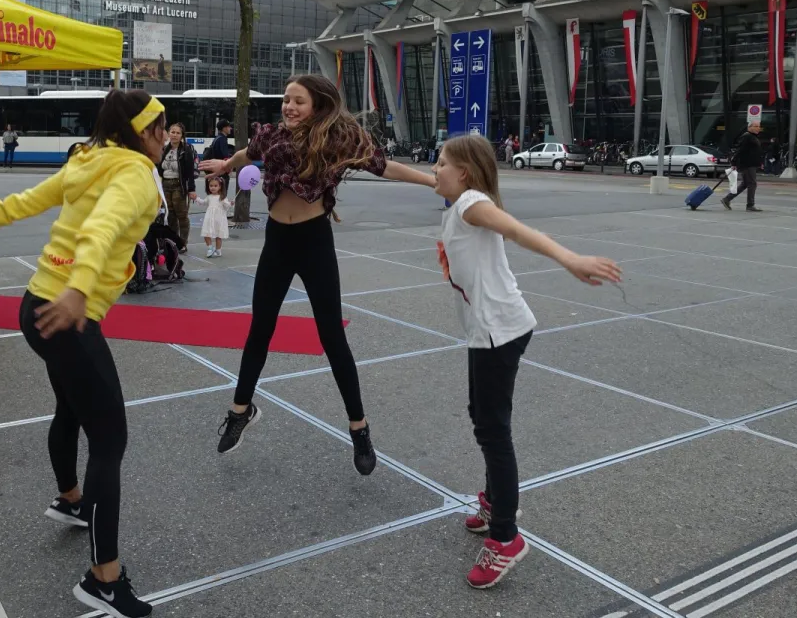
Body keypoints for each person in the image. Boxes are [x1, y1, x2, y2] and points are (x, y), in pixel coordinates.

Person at [0, 89, 168, 618]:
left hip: (35, 306)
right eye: (162, 128)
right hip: (66, 314)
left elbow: (27, 201)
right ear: (144, 132)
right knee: (110, 441)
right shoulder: (135, 172)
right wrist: (79, 287)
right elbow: (101, 229)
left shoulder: (88, 159)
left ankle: (71, 501)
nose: (167, 138)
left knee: (72, 408)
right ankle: (104, 580)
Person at [199, 74, 437, 473]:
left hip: (314, 242)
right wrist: (226, 164)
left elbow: (385, 167)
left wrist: (432, 181)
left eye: (299, 101)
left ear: (317, 106)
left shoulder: (336, 140)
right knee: (260, 329)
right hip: (277, 241)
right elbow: (246, 153)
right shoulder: (271, 136)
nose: (289, 107)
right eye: (287, 100)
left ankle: (359, 428)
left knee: (332, 336)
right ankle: (241, 410)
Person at [431, 134, 621, 588]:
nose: (433, 170)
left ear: (464, 173)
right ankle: (495, 503)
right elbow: (403, 174)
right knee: (483, 417)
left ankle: (505, 538)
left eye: (440, 163)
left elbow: (517, 230)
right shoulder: (459, 198)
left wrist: (569, 258)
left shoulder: (471, 203)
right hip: (489, 328)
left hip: (499, 329)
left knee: (493, 430)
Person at [157, 122, 197, 250]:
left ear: (182, 136)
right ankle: (173, 242)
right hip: (165, 185)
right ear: (169, 133)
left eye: (178, 133)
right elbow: (158, 169)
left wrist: (191, 189)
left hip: (178, 185)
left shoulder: (186, 150)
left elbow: (190, 172)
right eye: (172, 132)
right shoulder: (164, 149)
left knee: (182, 215)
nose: (174, 135)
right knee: (170, 216)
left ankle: (183, 243)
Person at [722, 123, 762, 212]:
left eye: (759, 126)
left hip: (751, 163)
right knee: (752, 183)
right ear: (749, 127)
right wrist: (734, 162)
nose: (758, 128)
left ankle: (727, 199)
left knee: (745, 184)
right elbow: (740, 150)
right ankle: (750, 205)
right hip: (747, 164)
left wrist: (760, 162)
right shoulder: (747, 136)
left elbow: (755, 151)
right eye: (756, 126)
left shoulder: (753, 137)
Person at [196, 175, 233, 257]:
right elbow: (203, 202)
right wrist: (196, 198)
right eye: (211, 186)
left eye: (215, 186)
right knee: (206, 234)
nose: (213, 188)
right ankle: (210, 248)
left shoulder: (222, 198)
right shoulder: (209, 197)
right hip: (209, 219)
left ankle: (218, 250)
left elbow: (226, 207)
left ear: (220, 187)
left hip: (219, 219)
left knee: (218, 236)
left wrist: (230, 204)